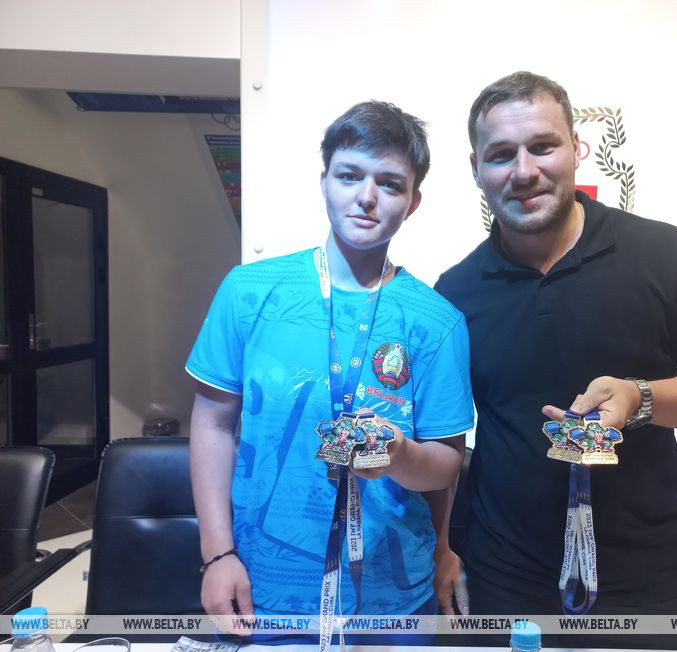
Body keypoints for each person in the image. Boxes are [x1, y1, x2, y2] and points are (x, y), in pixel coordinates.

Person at [434, 71, 677, 649]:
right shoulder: (455, 292)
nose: (524, 171)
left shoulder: (662, 253)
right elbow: (442, 436)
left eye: (543, 146)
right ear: (475, 168)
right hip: (501, 581)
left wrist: (642, 397)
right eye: (501, 154)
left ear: (576, 148)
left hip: (644, 585)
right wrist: (443, 548)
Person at [187, 100, 474, 645]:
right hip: (262, 590)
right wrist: (216, 554)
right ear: (324, 181)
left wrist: (400, 456)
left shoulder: (437, 322)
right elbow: (213, 425)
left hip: (394, 599)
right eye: (349, 175)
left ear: (413, 202)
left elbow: (445, 466)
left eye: (390, 184)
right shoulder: (249, 291)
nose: (367, 196)